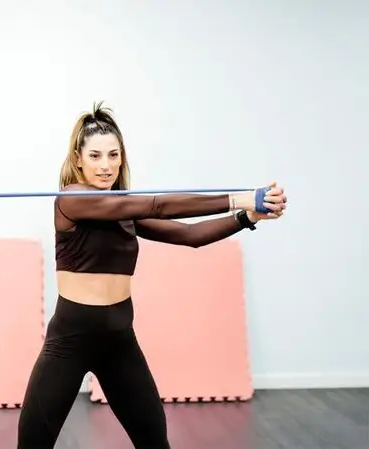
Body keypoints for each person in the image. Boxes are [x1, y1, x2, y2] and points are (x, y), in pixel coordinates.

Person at [16, 102, 287, 449]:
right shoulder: (71, 199)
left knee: (154, 441)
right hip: (70, 340)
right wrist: (241, 197)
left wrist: (248, 217)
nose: (106, 165)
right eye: (96, 156)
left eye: (113, 155)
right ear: (78, 159)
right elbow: (155, 205)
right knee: (33, 444)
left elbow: (191, 237)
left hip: (119, 341)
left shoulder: (123, 208)